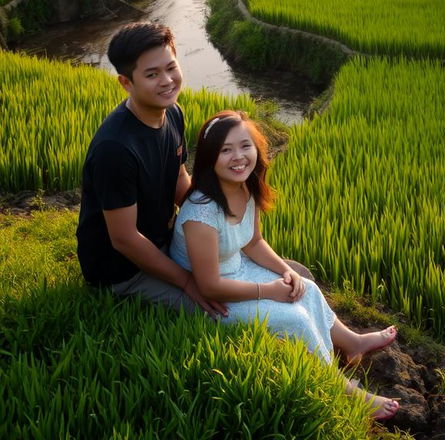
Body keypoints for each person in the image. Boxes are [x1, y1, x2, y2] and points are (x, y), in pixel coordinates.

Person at [170, 109, 400, 422]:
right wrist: (269, 290)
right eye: (226, 150)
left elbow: (253, 243)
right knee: (295, 320)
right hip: (211, 298)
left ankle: (352, 343)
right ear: (210, 158)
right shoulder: (201, 211)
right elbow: (208, 285)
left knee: (309, 291)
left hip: (237, 270)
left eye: (245, 145)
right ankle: (342, 389)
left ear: (256, 148)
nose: (238, 157)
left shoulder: (245, 187)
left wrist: (286, 271)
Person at [76, 21, 223, 317]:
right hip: (122, 270)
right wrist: (186, 281)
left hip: (162, 242)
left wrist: (221, 219)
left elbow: (179, 178)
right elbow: (125, 239)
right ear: (126, 83)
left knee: (251, 273)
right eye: (152, 74)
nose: (167, 80)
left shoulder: (172, 112)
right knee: (222, 309)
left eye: (171, 67)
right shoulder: (115, 149)